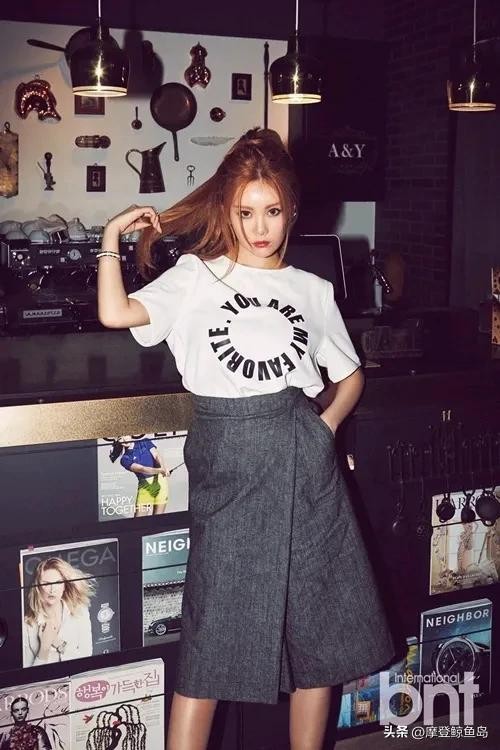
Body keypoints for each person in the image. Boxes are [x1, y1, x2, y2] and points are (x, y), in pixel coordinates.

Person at [97, 127, 395, 750]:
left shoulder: (311, 290)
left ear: (291, 211)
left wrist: (322, 429)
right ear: (226, 211)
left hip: (303, 462)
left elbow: (349, 377)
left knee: (317, 632)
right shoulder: (196, 276)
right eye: (246, 212)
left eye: (273, 211)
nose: (260, 227)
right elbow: (115, 314)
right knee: (211, 637)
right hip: (227, 460)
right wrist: (110, 240)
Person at [23, 557, 95, 666]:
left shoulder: (80, 611)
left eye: (58, 582)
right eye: (46, 584)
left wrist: (58, 643)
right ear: (37, 587)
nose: (52, 590)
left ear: (65, 585)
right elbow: (29, 675)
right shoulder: (27, 625)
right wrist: (44, 649)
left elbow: (87, 659)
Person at [110, 436, 170, 517]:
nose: (125, 440)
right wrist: (161, 470)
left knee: (158, 519)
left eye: (126, 435)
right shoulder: (124, 459)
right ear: (118, 441)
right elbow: (143, 469)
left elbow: (156, 455)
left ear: (130, 434)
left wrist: (163, 467)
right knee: (139, 522)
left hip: (161, 483)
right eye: (121, 438)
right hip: (145, 487)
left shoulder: (145, 442)